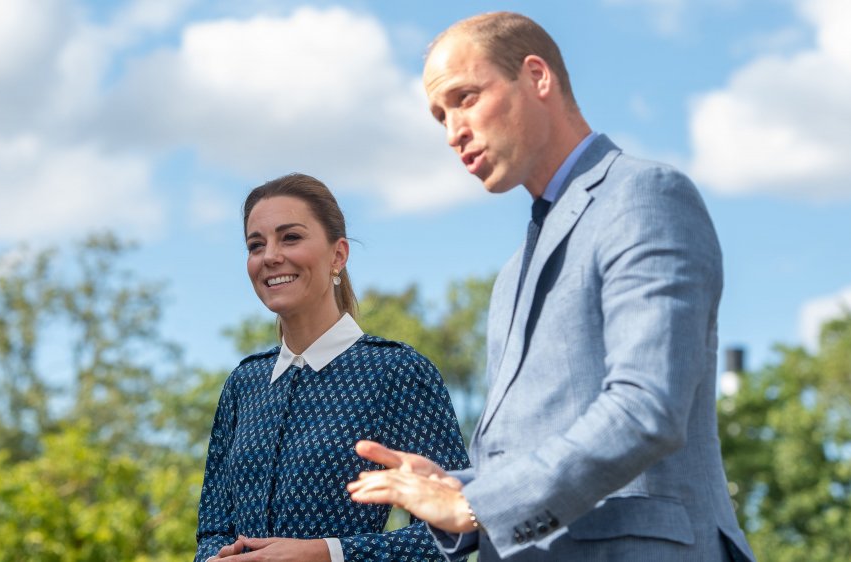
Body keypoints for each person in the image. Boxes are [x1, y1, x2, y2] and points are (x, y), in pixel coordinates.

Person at [347, 11, 755, 562]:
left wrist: (478, 506)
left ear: (537, 77)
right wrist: (457, 488)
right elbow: (530, 457)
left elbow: (647, 407)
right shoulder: (513, 273)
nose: (452, 133)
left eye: (465, 98)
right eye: (440, 116)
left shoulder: (644, 196)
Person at [195, 173, 469, 562]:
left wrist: (327, 553)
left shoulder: (398, 373)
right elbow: (212, 529)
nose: (270, 255)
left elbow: (452, 535)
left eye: (290, 237)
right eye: (256, 245)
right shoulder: (243, 384)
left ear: (337, 255)